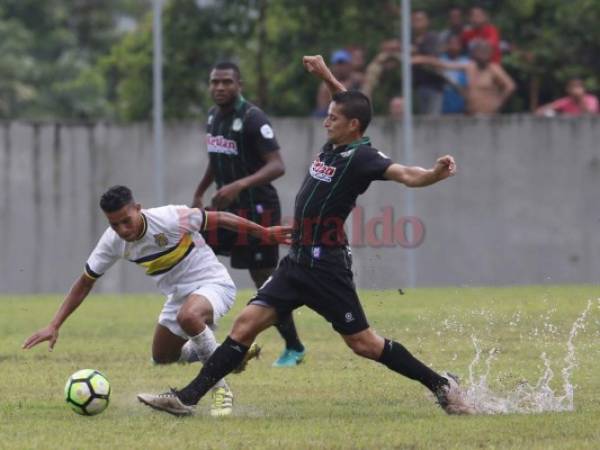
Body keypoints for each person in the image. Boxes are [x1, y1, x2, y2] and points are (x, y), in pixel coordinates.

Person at [137, 55, 476, 417]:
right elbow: (349, 102)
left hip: (325, 265)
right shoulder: (337, 141)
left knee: (363, 343)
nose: (326, 120)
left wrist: (434, 174)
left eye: (334, 117)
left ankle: (442, 386)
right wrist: (327, 74)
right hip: (298, 259)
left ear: (353, 125)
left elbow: (407, 174)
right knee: (245, 324)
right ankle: (186, 398)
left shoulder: (364, 158)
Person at [23, 186, 291, 416]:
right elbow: (85, 282)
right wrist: (54, 324)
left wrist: (264, 234)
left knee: (188, 317)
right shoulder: (112, 242)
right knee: (163, 356)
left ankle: (221, 390)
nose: (122, 229)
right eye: (114, 224)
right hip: (178, 297)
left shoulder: (171, 217)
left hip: (213, 284)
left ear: (138, 208)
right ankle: (230, 354)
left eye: (126, 220)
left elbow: (220, 218)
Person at [192, 62, 307, 367]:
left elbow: (277, 165)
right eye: (214, 82)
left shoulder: (253, 118)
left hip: (258, 210)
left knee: (265, 282)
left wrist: (238, 184)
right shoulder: (213, 116)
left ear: (239, 84)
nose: (219, 87)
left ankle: (294, 347)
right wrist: (199, 192)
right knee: (194, 253)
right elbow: (216, 158)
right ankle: (198, 334)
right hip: (225, 209)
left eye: (226, 82)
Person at [464, 40, 515, 115]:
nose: (482, 54)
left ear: (490, 53)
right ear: (474, 53)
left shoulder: (494, 69)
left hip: (489, 114)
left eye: (485, 51)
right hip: (472, 114)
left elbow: (510, 86)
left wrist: (499, 103)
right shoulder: (470, 67)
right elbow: (448, 65)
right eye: (480, 51)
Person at [411, 10, 446, 115]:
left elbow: (434, 58)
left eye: (420, 19)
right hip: (418, 86)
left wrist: (417, 57)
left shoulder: (433, 37)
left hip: (434, 85)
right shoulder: (410, 39)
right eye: (414, 20)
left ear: (427, 22)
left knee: (432, 119)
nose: (417, 22)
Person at [314, 50, 362, 117]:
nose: (340, 68)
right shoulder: (325, 86)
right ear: (332, 66)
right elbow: (322, 109)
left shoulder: (358, 79)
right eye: (338, 64)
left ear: (349, 65)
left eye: (343, 64)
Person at [440, 35, 470, 114]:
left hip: (462, 99)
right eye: (451, 43)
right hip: (444, 99)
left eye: (457, 44)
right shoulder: (440, 60)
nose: (454, 46)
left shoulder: (467, 61)